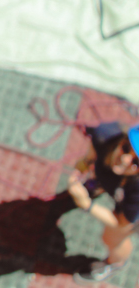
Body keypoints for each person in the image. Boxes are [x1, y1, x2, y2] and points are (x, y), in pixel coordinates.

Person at [66, 121, 139, 284]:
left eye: (136, 163)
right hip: (121, 188)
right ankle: (99, 185)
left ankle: (116, 263)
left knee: (111, 237)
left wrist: (86, 204)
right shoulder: (105, 135)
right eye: (126, 148)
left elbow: (121, 223)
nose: (125, 160)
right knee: (105, 177)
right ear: (123, 138)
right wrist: (84, 165)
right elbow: (93, 151)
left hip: (131, 207)